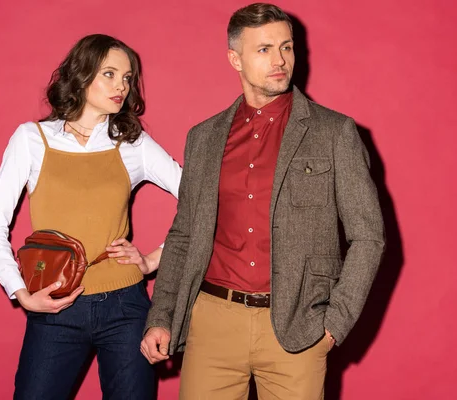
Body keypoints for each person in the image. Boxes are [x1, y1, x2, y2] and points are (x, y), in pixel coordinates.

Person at [141, 3, 385, 399]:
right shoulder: (203, 138)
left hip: (296, 326)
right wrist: (162, 316)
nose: (280, 60)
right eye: (264, 49)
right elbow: (184, 235)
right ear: (234, 59)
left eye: (286, 47)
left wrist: (334, 324)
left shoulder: (334, 132)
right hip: (213, 323)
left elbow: (368, 236)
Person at [0, 34, 181, 400]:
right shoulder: (32, 138)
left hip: (126, 306)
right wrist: (21, 293)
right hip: (56, 304)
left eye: (128, 77)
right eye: (110, 73)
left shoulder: (131, 143)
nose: (122, 85)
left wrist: (153, 260)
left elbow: (199, 201)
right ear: (82, 73)